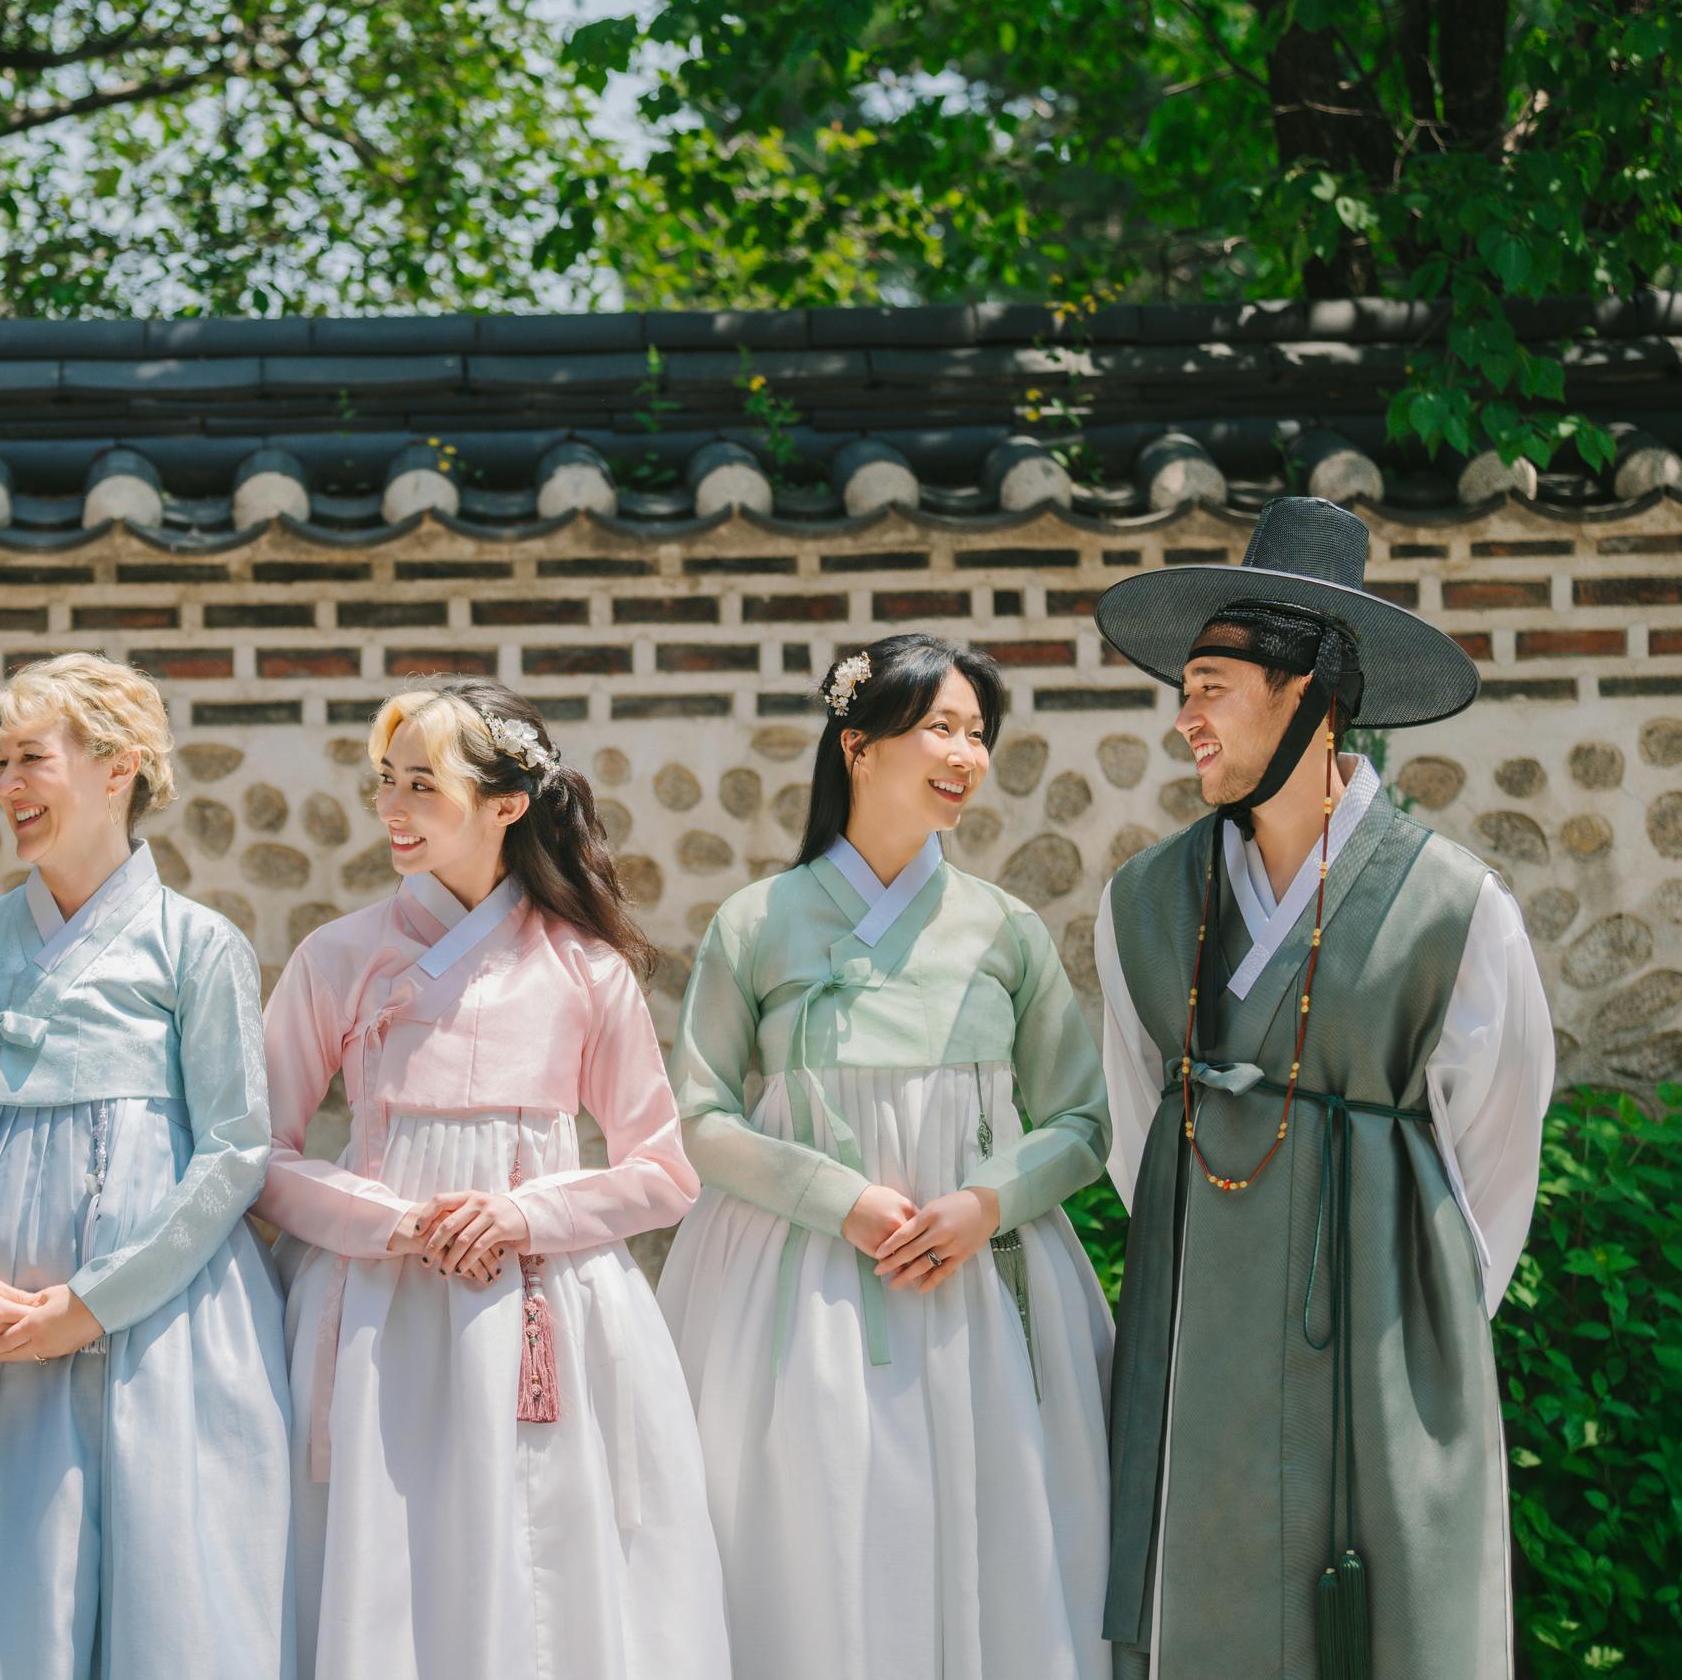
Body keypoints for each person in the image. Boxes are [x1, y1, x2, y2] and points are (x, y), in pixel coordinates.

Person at [1092, 496, 1557, 1680]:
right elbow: (1139, 1123)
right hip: (1202, 1347)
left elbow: (1494, 1162)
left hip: (1391, 1345)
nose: (1184, 717)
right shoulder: (1143, 904)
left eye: (1211, 685)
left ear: (1310, 692)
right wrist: (1228, 1278)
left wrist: (1414, 1329)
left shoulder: (1455, 905)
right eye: (1181, 689)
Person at [657, 633, 1116, 1675]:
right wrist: (838, 1198)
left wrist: (986, 1202)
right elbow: (699, 1117)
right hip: (795, 1283)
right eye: (940, 728)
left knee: (998, 1538)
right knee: (805, 1537)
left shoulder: (1003, 929)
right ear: (857, 745)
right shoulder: (755, 924)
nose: (967, 753)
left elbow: (1083, 1120)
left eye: (978, 733)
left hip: (984, 1291)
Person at [254, 680, 729, 1680]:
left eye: (423, 785)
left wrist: (520, 1212)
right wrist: (389, 1221)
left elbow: (662, 1171)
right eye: (386, 781)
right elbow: (260, 1157)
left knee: (543, 1566)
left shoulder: (585, 969)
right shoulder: (336, 958)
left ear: (507, 801)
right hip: (378, 1307)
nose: (392, 807)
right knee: (383, 1570)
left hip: (544, 1305)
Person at [0, 653, 290, 1680]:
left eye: (31, 758)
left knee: (169, 1601)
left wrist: (96, 1301)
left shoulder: (197, 947)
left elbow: (235, 1148)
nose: (7, 785)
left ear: (120, 768)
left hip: (159, 1329)